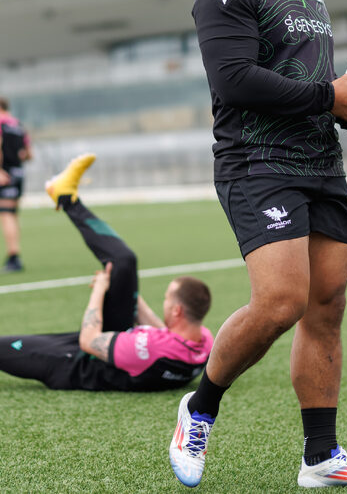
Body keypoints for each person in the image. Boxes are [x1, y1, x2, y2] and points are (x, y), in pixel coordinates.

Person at [169, 0, 347, 488]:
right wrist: (330, 97)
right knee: (280, 303)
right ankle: (200, 408)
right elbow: (234, 80)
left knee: (327, 305)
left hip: (321, 163)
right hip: (258, 162)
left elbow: (312, 84)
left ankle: (321, 457)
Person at [0, 154, 213, 391]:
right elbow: (163, 334)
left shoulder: (152, 348)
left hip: (76, 364)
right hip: (115, 344)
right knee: (124, 262)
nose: (164, 302)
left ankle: (66, 198)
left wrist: (99, 289)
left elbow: (88, 340)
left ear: (177, 310)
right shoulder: (202, 344)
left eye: (167, 298)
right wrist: (129, 292)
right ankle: (66, 196)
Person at [0, 97, 33, 272]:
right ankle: (14, 254)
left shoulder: (1, 123)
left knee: (6, 215)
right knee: (11, 214)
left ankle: (14, 256)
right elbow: (28, 155)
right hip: (18, 173)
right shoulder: (19, 125)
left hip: (4, 174)